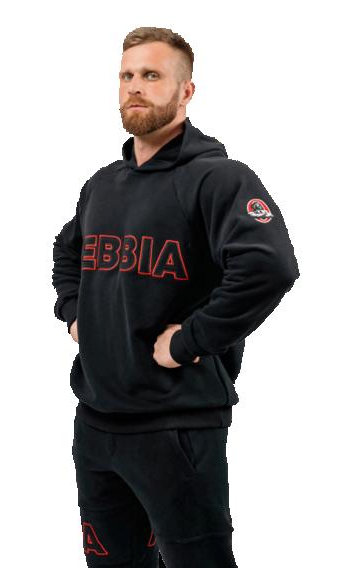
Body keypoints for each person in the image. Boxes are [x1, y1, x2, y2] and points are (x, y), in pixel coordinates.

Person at [52, 26, 299, 568]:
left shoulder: (219, 180)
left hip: (176, 428)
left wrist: (190, 340)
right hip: (96, 422)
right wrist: (74, 314)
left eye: (152, 75)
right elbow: (66, 252)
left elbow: (269, 266)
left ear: (186, 91)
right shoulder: (103, 185)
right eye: (127, 76)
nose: (135, 87)